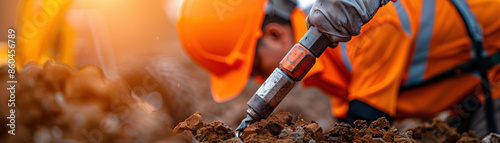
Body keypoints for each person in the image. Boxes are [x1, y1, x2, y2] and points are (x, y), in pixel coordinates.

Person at [177, 0, 500, 138]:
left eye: (254, 68)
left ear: (274, 34)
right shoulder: (331, 67)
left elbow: (365, 122)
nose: (261, 80)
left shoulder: (367, 29)